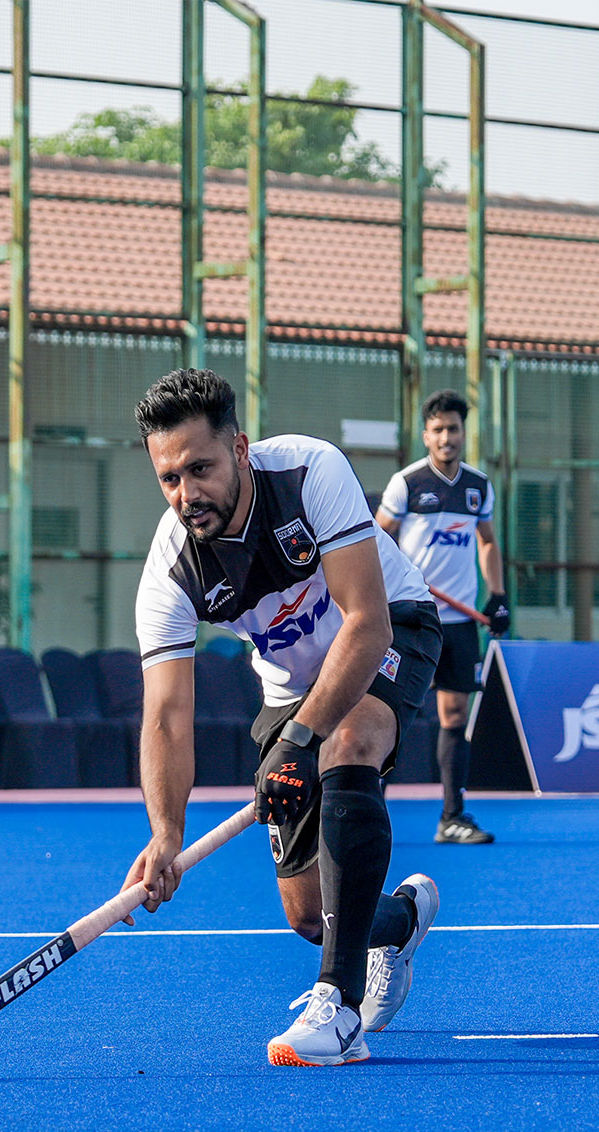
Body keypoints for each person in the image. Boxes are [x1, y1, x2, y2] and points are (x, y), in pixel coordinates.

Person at [124, 368, 444, 1068]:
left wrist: (302, 740)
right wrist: (166, 835)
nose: (187, 494)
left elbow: (366, 623)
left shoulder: (306, 472)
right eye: (169, 478)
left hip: (394, 624)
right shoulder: (171, 569)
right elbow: (168, 717)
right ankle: (403, 923)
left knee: (348, 742)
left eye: (200, 469)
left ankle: (339, 1010)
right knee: (311, 914)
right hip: (289, 685)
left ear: (240, 449)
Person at [377, 390, 509, 846]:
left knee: (454, 714)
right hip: (411, 616)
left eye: (453, 428)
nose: (446, 437)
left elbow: (488, 542)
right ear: (425, 434)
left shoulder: (478, 487)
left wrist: (497, 595)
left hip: (459, 623)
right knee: (387, 713)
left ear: (462, 432)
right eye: (438, 430)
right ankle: (368, 814)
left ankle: (452, 817)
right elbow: (376, 541)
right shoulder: (407, 484)